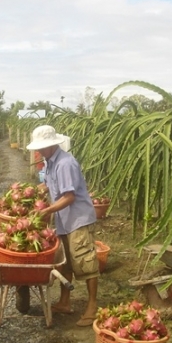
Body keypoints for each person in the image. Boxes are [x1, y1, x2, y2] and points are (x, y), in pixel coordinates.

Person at [26, 125, 99, 327]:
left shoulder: (65, 163)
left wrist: (46, 210)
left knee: (85, 263)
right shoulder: (50, 162)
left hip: (78, 220)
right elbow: (49, 185)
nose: (38, 151)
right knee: (66, 263)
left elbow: (69, 196)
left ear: (51, 145)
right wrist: (30, 192)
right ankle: (65, 303)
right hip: (64, 220)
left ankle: (92, 308)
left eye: (41, 147)